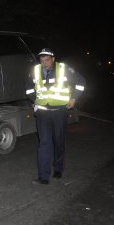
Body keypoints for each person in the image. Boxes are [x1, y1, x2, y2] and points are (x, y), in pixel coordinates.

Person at [25, 48, 86, 185]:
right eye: (42, 60)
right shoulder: (35, 70)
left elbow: (81, 82)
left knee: (58, 141)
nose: (44, 63)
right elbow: (28, 88)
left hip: (59, 111)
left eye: (47, 60)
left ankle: (58, 168)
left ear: (53, 59)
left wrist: (74, 98)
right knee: (44, 143)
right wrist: (36, 100)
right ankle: (43, 177)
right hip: (42, 112)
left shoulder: (63, 69)